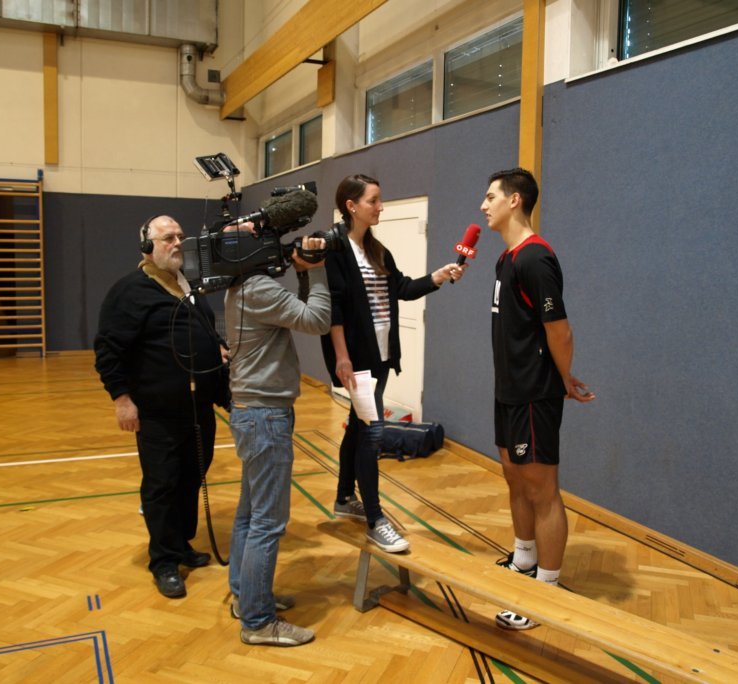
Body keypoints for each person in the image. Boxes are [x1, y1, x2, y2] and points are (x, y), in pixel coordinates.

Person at [321, 174, 465, 553]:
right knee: (371, 435)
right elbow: (334, 309)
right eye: (373, 201)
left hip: (382, 357)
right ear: (351, 206)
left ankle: (343, 497)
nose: (380, 207)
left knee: (358, 427)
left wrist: (437, 276)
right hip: (355, 360)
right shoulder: (335, 248)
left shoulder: (377, 250)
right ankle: (375, 520)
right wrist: (341, 357)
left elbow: (402, 288)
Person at [481, 168, 595, 630]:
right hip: (507, 391)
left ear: (514, 200)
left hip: (534, 393)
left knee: (542, 490)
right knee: (514, 477)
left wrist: (564, 378)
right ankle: (524, 560)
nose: (483, 205)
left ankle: (545, 591)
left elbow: (559, 331)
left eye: (491, 197)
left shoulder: (536, 258)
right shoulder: (505, 260)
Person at [94, 215, 228, 599]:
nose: (177, 243)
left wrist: (217, 346)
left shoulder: (188, 285)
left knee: (191, 477)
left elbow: (205, 329)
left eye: (180, 236)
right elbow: (108, 350)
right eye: (168, 238)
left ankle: (180, 544)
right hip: (158, 412)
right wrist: (122, 399)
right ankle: (164, 561)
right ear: (147, 247)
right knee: (162, 485)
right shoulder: (129, 291)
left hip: (198, 407)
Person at [224, 231, 331, 647]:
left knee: (250, 515)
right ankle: (258, 622)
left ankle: (246, 596)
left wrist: (302, 273)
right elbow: (317, 320)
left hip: (252, 412)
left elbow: (297, 314)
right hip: (265, 416)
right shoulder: (260, 288)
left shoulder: (242, 286)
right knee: (268, 523)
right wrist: (317, 270)